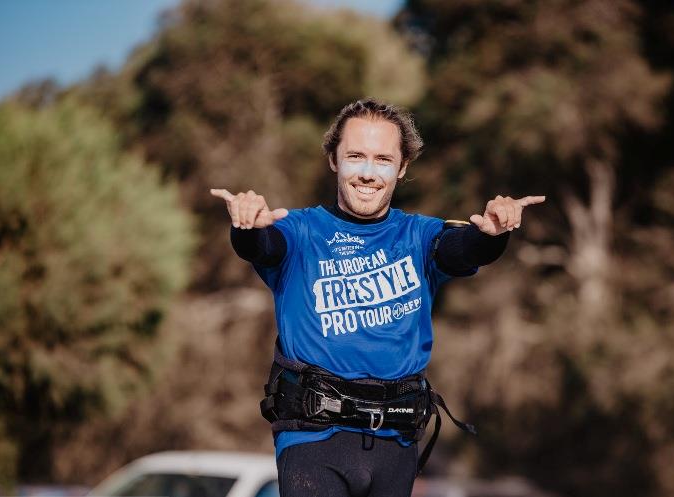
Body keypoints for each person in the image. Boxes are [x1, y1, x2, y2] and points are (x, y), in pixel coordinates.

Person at [211, 98, 545, 497]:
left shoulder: (418, 235)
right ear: (334, 160)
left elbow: (461, 250)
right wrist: (247, 226)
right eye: (355, 156)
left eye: (383, 160)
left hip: (396, 443)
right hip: (313, 440)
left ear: (402, 168)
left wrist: (492, 234)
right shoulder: (300, 232)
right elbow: (262, 246)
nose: (368, 173)